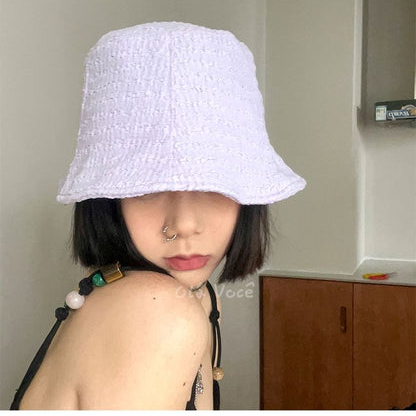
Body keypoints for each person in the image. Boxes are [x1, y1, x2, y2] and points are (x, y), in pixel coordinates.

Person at [10, 21, 307, 410]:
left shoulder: (199, 297)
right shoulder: (157, 313)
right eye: (146, 189)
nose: (183, 225)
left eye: (213, 185)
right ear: (108, 200)